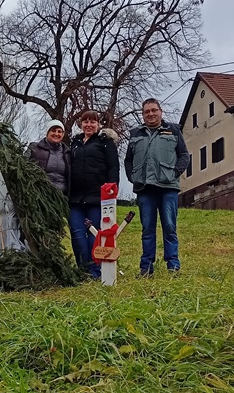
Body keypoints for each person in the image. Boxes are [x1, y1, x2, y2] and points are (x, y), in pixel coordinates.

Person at [124, 98, 191, 275]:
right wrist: (132, 177)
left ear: (161, 112)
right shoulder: (135, 134)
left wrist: (175, 172)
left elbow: (184, 155)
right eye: (147, 111)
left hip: (168, 187)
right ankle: (146, 267)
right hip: (144, 188)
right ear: (143, 114)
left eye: (154, 110)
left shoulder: (173, 130)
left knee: (169, 226)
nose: (151, 114)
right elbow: (128, 160)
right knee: (147, 228)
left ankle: (173, 265)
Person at [68, 111, 119, 279]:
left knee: (94, 234)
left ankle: (95, 270)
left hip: (97, 198)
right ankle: (82, 268)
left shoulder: (105, 142)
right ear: (81, 124)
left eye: (92, 122)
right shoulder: (75, 143)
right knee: (77, 232)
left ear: (98, 124)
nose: (89, 125)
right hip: (75, 198)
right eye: (85, 121)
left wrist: (112, 188)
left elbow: (113, 166)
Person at [26, 119, 71, 196]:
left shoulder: (67, 152)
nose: (56, 134)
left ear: (63, 134)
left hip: (62, 196)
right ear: (47, 132)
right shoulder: (34, 148)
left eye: (59, 132)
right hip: (40, 196)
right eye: (53, 131)